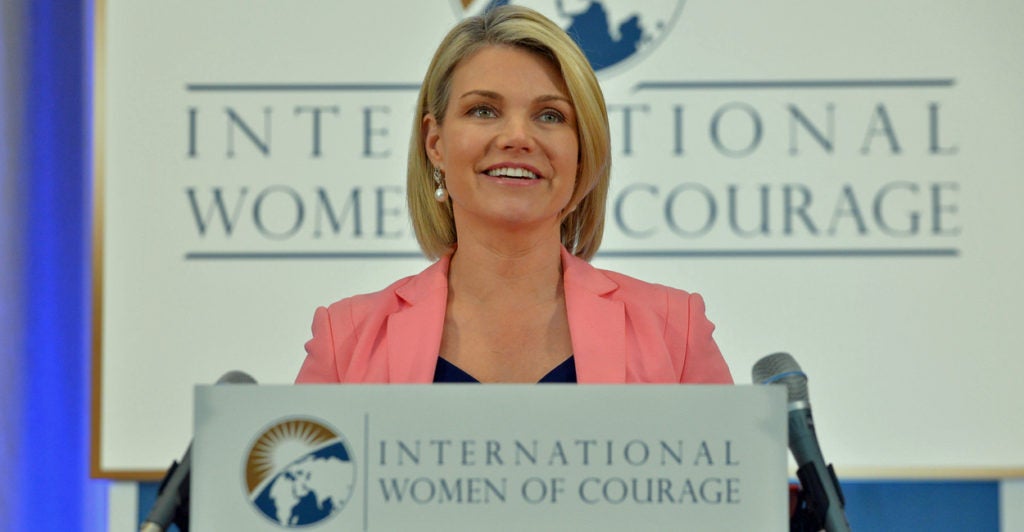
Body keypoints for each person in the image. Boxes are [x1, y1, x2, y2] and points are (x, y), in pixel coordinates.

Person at [295, 6, 732, 385]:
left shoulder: (675, 333)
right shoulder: (345, 341)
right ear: (435, 143)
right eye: (483, 110)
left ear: (583, 151)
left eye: (550, 115)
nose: (518, 137)